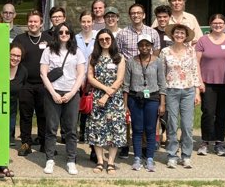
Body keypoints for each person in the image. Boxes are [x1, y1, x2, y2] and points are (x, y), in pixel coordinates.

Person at [39, 23, 86, 176]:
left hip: (71, 93)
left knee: (71, 130)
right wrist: (53, 93)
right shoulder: (48, 51)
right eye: (61, 32)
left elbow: (81, 75)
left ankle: (71, 160)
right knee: (51, 128)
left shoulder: (77, 52)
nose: (64, 34)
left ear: (71, 34)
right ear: (56, 34)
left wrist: (72, 93)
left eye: (67, 32)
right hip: (53, 93)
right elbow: (43, 74)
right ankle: (50, 159)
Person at [160, 23, 201, 169]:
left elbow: (195, 71)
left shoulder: (191, 51)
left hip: (188, 90)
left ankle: (186, 155)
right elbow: (162, 75)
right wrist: (163, 98)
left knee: (187, 125)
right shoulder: (165, 51)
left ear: (186, 36)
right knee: (172, 124)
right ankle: (172, 155)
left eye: (182, 33)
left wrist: (197, 92)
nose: (179, 35)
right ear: (172, 34)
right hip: (171, 90)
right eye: (177, 33)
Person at [86, 29, 127, 174]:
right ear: (98, 41)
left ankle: (111, 162)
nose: (105, 41)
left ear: (112, 40)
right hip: (98, 96)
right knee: (97, 129)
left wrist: (107, 94)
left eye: (107, 39)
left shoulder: (119, 58)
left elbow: (120, 79)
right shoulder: (93, 57)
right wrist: (104, 90)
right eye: (101, 39)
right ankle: (99, 161)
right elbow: (90, 78)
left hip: (114, 99)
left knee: (114, 129)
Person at [124, 33, 166, 172]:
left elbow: (162, 83)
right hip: (135, 98)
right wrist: (125, 105)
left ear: (151, 46)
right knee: (137, 129)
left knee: (150, 129)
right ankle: (136, 157)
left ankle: (149, 158)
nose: (144, 47)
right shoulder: (131, 61)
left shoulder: (158, 61)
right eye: (141, 45)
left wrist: (162, 103)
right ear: (138, 46)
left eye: (147, 45)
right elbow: (126, 84)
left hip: (152, 98)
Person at [195, 14, 225, 156]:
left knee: (222, 114)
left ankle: (219, 142)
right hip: (208, 83)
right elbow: (196, 63)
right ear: (210, 24)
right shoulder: (203, 40)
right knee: (208, 113)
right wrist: (199, 82)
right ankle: (205, 141)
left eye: (221, 22)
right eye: (215, 23)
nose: (218, 25)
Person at [12, 10, 50, 157]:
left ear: (41, 23)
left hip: (43, 83)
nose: (32, 24)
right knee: (26, 115)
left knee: (43, 114)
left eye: (35, 21)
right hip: (25, 84)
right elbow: (14, 60)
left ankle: (44, 143)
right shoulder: (20, 39)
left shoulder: (48, 39)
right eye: (30, 21)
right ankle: (26, 143)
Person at [7, 45, 27, 149]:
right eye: (13, 55)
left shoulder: (23, 71)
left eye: (18, 56)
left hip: (12, 105)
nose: (15, 58)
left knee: (10, 128)